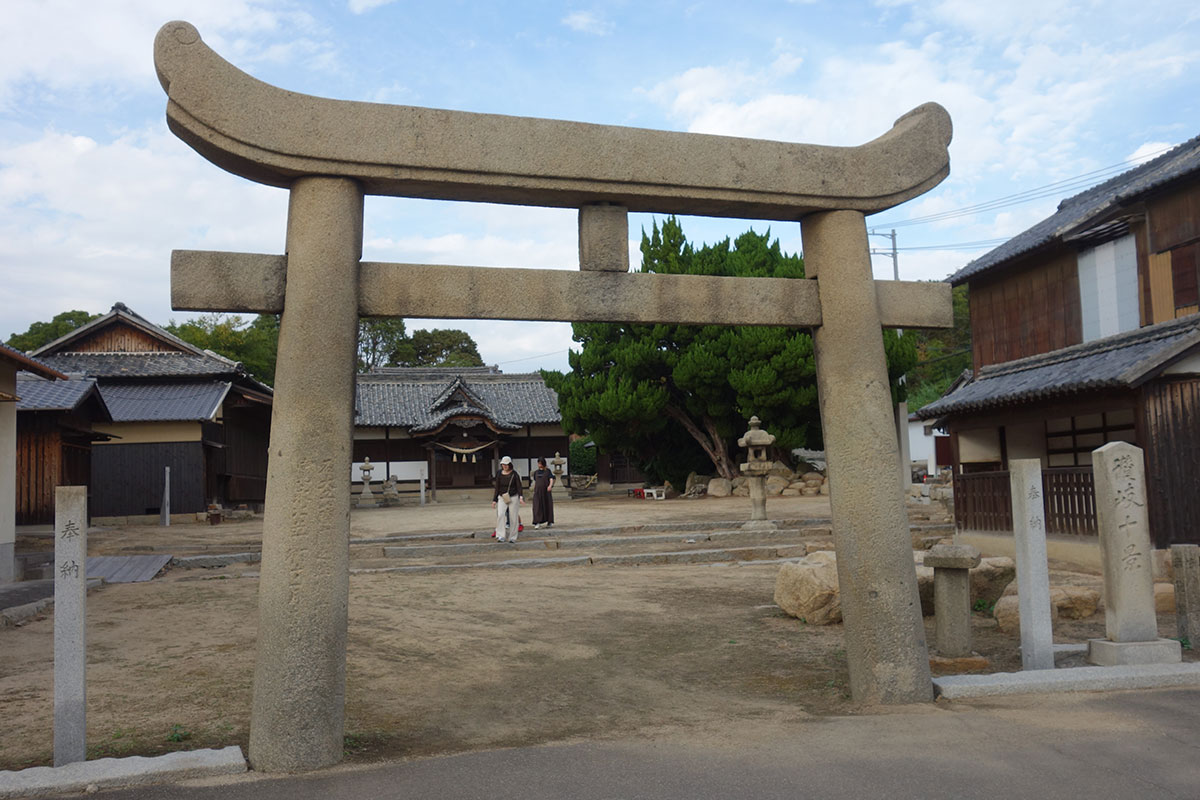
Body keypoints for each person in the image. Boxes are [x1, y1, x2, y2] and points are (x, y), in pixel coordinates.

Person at [491, 455, 523, 542]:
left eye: (506, 464)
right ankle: (501, 535)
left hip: (513, 496)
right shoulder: (499, 473)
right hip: (502, 497)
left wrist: (521, 496)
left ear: (509, 464)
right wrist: (494, 500)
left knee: (513, 517)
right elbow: (497, 487)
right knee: (500, 515)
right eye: (503, 464)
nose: (504, 466)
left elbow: (519, 486)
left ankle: (513, 537)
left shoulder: (514, 474)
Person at [530, 457, 555, 529]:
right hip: (537, 491)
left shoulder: (548, 471)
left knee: (548, 505)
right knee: (537, 506)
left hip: (546, 491)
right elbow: (535, 480)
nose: (539, 465)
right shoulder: (536, 472)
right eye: (538, 463)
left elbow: (551, 479)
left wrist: (550, 486)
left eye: (540, 463)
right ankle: (537, 522)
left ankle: (549, 521)